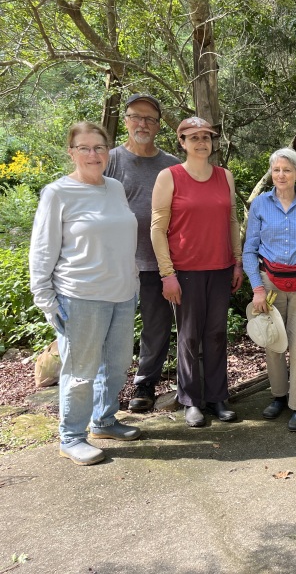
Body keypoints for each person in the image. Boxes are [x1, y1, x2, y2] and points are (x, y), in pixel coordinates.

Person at [29, 122, 141, 466]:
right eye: (84, 148)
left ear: (108, 151)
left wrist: (133, 280)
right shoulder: (57, 193)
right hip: (80, 297)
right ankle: (72, 437)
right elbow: (42, 249)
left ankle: (103, 421)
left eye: (99, 147)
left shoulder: (115, 187)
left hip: (122, 294)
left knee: (117, 364)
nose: (93, 155)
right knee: (80, 371)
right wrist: (45, 298)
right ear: (71, 152)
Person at [151, 117, 244, 427]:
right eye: (194, 138)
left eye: (206, 137)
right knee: (189, 338)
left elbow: (232, 221)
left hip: (220, 268)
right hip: (185, 271)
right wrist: (167, 274)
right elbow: (157, 229)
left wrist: (237, 261)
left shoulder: (224, 176)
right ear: (182, 142)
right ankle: (190, 400)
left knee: (216, 335)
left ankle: (218, 397)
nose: (201, 142)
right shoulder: (169, 176)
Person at [243, 148, 296, 432]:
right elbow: (250, 250)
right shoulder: (260, 204)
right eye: (277, 170)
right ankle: (279, 395)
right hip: (269, 283)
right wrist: (257, 288)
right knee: (274, 342)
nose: (281, 175)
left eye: (287, 170)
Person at [105, 93, 180, 412]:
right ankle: (107, 391)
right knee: (113, 329)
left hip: (156, 262)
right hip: (116, 263)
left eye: (150, 119)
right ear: (125, 121)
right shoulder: (109, 160)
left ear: (159, 126)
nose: (142, 124)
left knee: (156, 327)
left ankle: (145, 385)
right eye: (136, 116)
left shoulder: (172, 165)